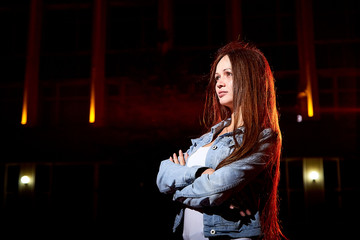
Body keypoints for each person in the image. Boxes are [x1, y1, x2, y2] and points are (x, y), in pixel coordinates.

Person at [156, 41, 284, 240]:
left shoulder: (261, 138)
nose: (219, 83)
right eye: (217, 77)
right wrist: (200, 173)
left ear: (250, 79)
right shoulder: (209, 136)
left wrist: (177, 187)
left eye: (228, 74)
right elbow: (163, 174)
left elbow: (216, 189)